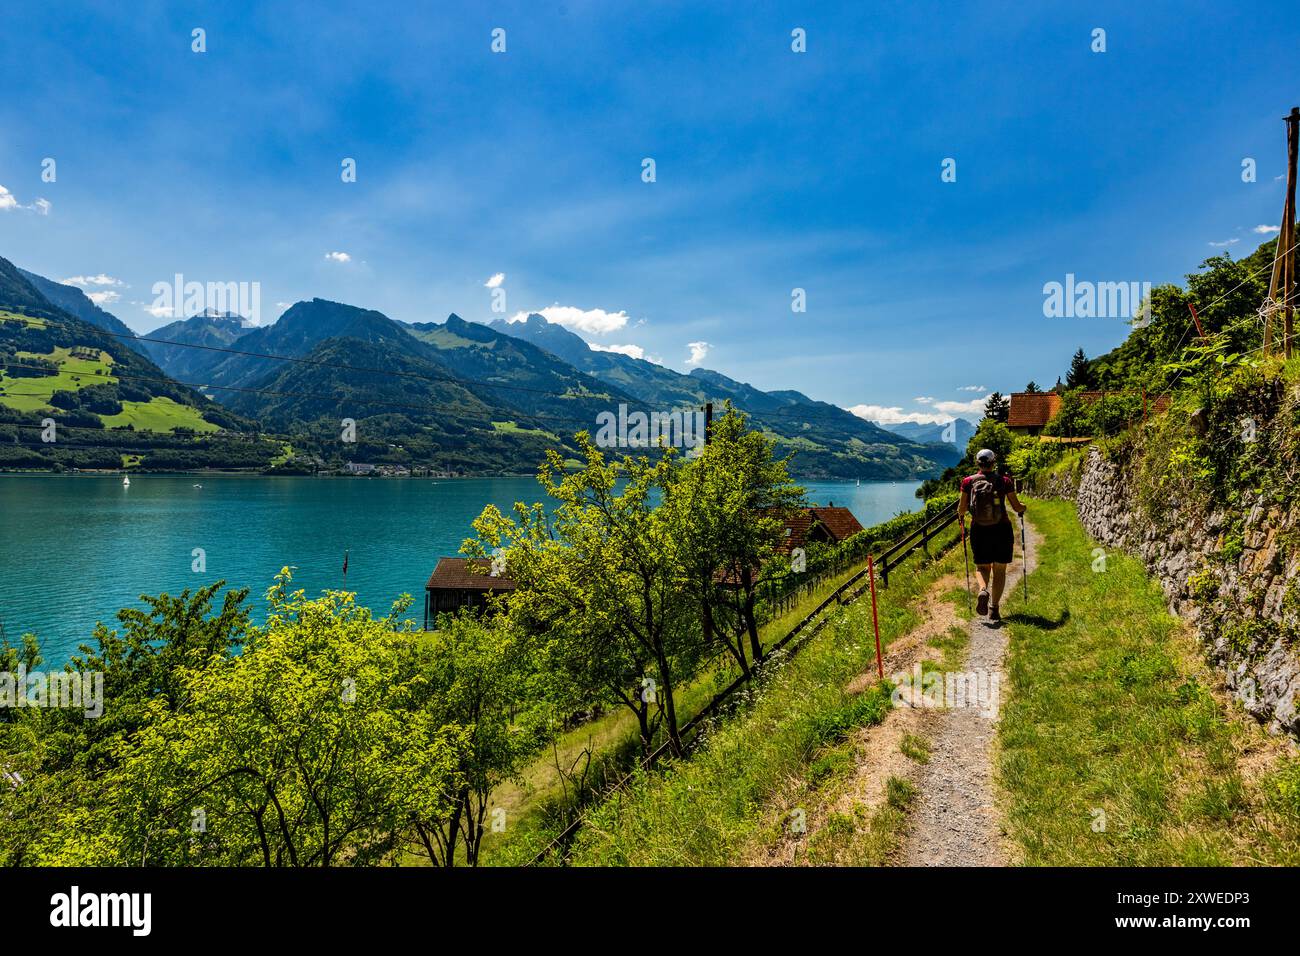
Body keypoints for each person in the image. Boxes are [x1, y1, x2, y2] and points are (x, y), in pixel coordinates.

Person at [956, 448, 1026, 623]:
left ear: (977, 463)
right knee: (999, 569)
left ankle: (982, 589)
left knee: (982, 567)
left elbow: (962, 509)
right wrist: (1023, 508)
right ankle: (994, 608)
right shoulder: (1005, 481)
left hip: (979, 530)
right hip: (1002, 529)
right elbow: (1016, 506)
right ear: (994, 462)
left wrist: (962, 518)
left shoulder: (967, 482)